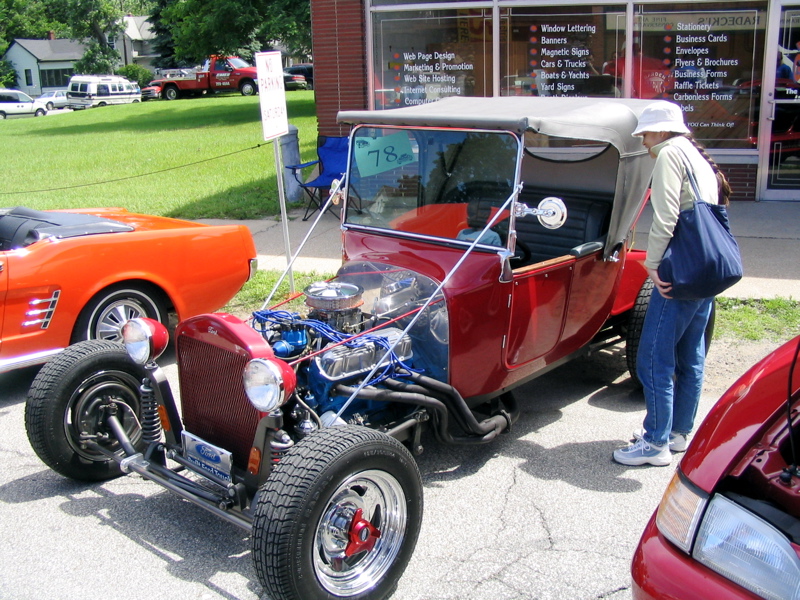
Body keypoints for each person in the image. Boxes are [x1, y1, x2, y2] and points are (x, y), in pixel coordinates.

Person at [613, 101, 732, 467]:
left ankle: (654, 443)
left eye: (646, 134)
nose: (645, 142)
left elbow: (665, 218)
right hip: (707, 272)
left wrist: (651, 265)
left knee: (653, 357)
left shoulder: (668, 154)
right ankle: (679, 433)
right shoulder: (697, 156)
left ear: (662, 131)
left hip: (680, 272)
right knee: (690, 355)